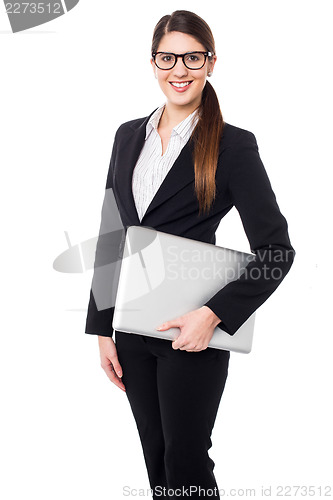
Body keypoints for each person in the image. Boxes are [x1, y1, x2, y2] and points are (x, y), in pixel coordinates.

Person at [85, 9, 295, 500]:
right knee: (157, 458)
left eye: (192, 57)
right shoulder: (126, 135)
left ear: (211, 63)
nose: (179, 69)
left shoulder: (232, 145)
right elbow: (111, 232)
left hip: (192, 330)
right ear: (153, 62)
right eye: (167, 57)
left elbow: (277, 251)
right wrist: (101, 329)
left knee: (187, 459)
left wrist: (214, 315)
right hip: (132, 330)